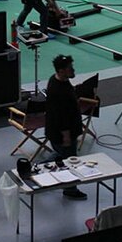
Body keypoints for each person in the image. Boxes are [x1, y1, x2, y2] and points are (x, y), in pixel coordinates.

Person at [46, 54, 87, 199]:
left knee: (59, 155)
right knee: (69, 161)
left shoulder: (57, 80)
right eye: (70, 68)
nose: (73, 70)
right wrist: (66, 136)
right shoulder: (58, 90)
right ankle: (70, 189)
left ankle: (34, 169)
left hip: (61, 131)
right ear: (61, 71)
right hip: (62, 133)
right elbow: (61, 116)